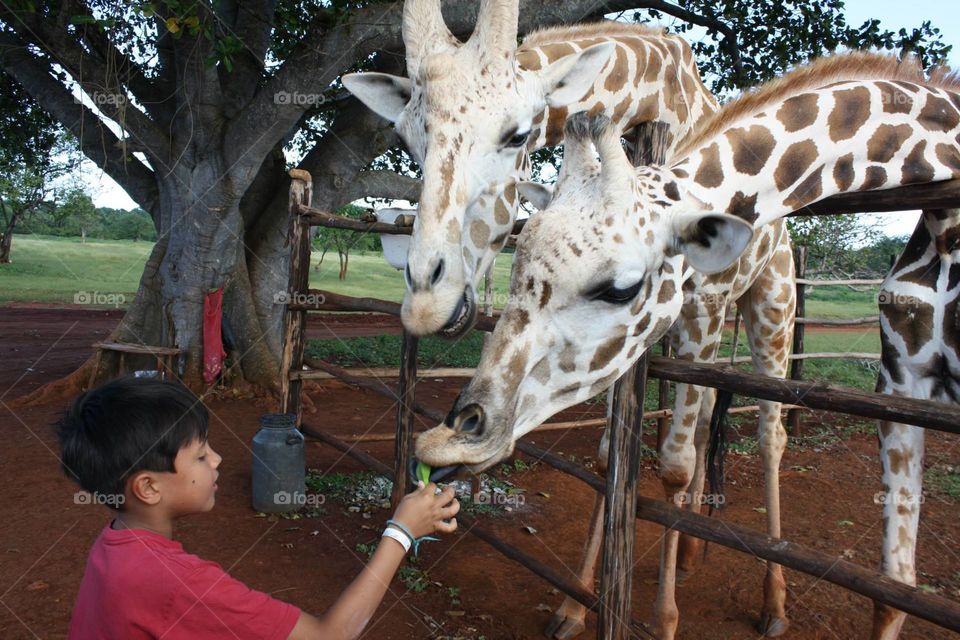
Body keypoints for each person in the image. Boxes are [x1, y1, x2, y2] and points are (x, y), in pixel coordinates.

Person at [56, 376, 459, 639]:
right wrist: (401, 532)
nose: (216, 460)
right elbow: (329, 636)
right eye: (199, 456)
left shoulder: (113, 545)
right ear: (147, 487)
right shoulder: (177, 583)